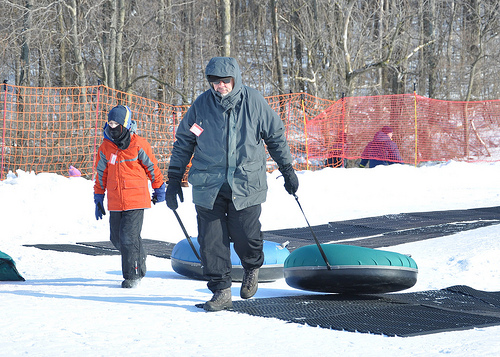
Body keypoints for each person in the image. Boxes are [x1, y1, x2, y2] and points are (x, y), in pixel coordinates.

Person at [165, 57, 299, 312]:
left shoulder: (254, 102)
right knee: (211, 240)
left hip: (246, 182)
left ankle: (251, 268)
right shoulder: (201, 107)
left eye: (226, 81)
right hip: (209, 184)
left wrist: (287, 169)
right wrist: (173, 179)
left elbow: (275, 137)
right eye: (215, 82)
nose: (220, 87)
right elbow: (184, 142)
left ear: (235, 80)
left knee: (246, 236)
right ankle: (221, 290)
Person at [94, 105, 166, 288]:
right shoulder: (105, 147)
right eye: (110, 123)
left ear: (125, 124)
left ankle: (132, 276)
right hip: (116, 201)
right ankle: (138, 252)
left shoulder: (139, 144)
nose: (112, 127)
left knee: (128, 238)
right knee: (116, 239)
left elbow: (152, 168)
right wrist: (98, 196)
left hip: (136, 198)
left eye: (116, 123)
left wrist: (159, 188)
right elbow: (101, 173)